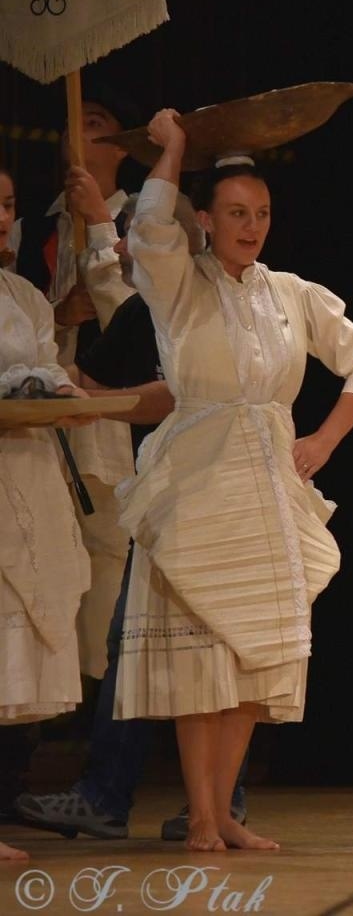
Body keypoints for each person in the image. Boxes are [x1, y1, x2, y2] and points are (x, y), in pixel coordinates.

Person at [114, 109, 353, 851]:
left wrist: (325, 438)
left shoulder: (291, 292)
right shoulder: (179, 283)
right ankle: (201, 814)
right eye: (235, 212)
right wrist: (174, 149)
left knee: (254, 654)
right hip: (198, 478)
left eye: (262, 213)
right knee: (203, 653)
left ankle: (224, 813)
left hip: (268, 481)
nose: (252, 226)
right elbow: (151, 231)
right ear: (204, 219)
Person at [14, 183, 245, 842]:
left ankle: (217, 802)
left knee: (219, 645)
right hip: (164, 495)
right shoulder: (149, 306)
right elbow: (94, 382)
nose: (125, 247)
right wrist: (48, 366)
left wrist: (93, 401)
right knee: (136, 642)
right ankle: (114, 796)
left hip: (219, 491)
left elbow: (173, 394)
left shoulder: (216, 301)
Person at [1, 177, 97, 859]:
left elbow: (46, 367)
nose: (0, 216)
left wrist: (60, 390)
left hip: (27, 466)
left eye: (7, 204)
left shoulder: (25, 296)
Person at [44, 87, 146, 684]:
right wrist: (58, 315)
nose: (81, 131)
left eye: (96, 121)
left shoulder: (148, 223)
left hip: (115, 411)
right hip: (46, 412)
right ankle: (52, 693)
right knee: (49, 549)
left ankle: (99, 688)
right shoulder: (33, 227)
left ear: (121, 145)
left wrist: (101, 231)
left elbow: (152, 324)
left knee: (107, 544)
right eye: (73, 123)